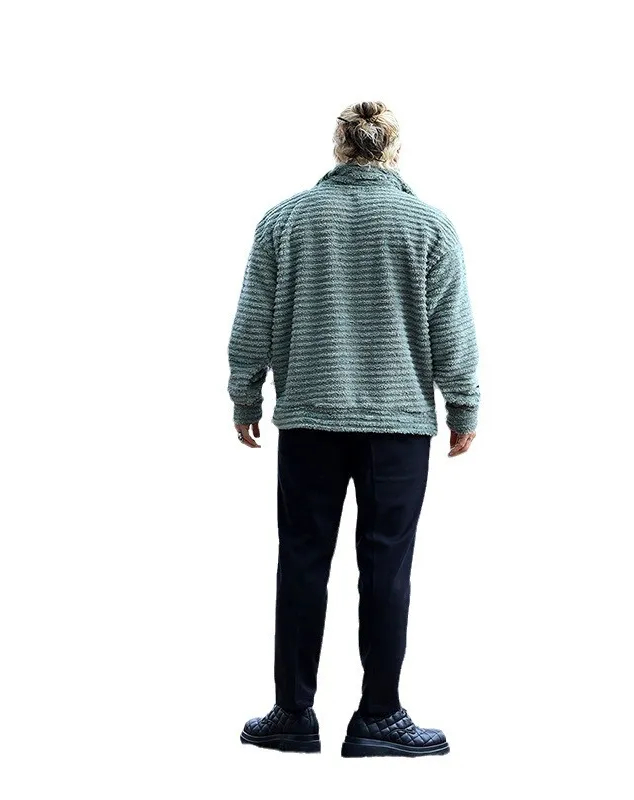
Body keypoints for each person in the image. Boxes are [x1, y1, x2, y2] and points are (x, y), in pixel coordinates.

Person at [227, 100, 480, 758]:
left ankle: (292, 715)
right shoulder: (429, 226)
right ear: (393, 149)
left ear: (339, 147)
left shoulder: (285, 220)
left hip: (309, 419)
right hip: (397, 428)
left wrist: (244, 395)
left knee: (301, 562)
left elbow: (252, 320)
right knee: (387, 570)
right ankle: (380, 717)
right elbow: (453, 332)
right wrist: (463, 407)